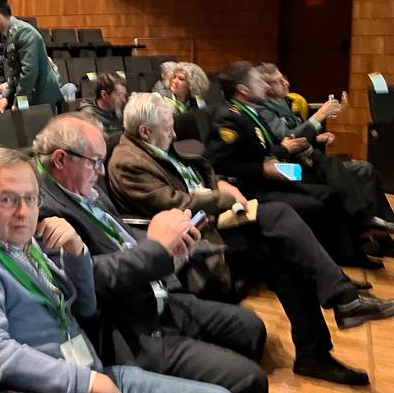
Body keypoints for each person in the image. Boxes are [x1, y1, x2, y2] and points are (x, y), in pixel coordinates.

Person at [107, 92, 394, 385]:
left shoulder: (154, 147)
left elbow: (198, 171)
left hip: (215, 222)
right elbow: (171, 201)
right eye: (167, 128)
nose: (174, 132)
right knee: (279, 217)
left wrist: (218, 183)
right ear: (145, 131)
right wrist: (221, 198)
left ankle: (317, 348)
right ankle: (341, 305)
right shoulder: (128, 162)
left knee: (286, 254)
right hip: (196, 238)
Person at [0, 146, 228, 393]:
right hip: (65, 384)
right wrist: (84, 382)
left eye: (31, 198)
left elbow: (84, 307)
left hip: (90, 367)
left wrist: (76, 251)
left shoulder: (16, 236)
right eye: (8, 199)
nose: (24, 212)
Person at [32, 115, 270, 392]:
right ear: (61, 160)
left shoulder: (85, 187)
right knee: (250, 379)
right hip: (131, 327)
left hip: (158, 296)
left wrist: (174, 241)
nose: (100, 172)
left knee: (251, 329)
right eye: (95, 162)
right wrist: (158, 247)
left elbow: (121, 235)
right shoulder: (42, 211)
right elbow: (89, 277)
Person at [205, 61, 378, 268]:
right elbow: (217, 163)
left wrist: (284, 150)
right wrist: (262, 168)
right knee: (321, 198)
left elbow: (264, 151)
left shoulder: (250, 112)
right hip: (253, 186)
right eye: (260, 82)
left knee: (329, 184)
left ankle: (352, 249)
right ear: (243, 89)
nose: (266, 86)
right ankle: (337, 257)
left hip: (276, 172)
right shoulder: (229, 118)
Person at [257, 64, 394, 237]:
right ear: (267, 86)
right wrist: (320, 115)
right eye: (279, 81)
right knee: (362, 170)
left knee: (366, 170)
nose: (286, 83)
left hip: (307, 158)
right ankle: (367, 226)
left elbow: (301, 133)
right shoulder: (263, 108)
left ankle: (378, 226)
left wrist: (318, 137)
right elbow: (287, 137)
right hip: (291, 166)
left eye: (284, 77)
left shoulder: (284, 102)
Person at [0, 0, 62, 113]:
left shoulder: (24, 33)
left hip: (42, 99)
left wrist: (19, 101)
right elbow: (14, 74)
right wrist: (6, 98)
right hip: (32, 97)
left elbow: (29, 72)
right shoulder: (9, 35)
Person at [76, 72, 126, 137]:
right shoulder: (88, 116)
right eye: (119, 95)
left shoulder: (118, 110)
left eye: (124, 95)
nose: (123, 100)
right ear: (104, 94)